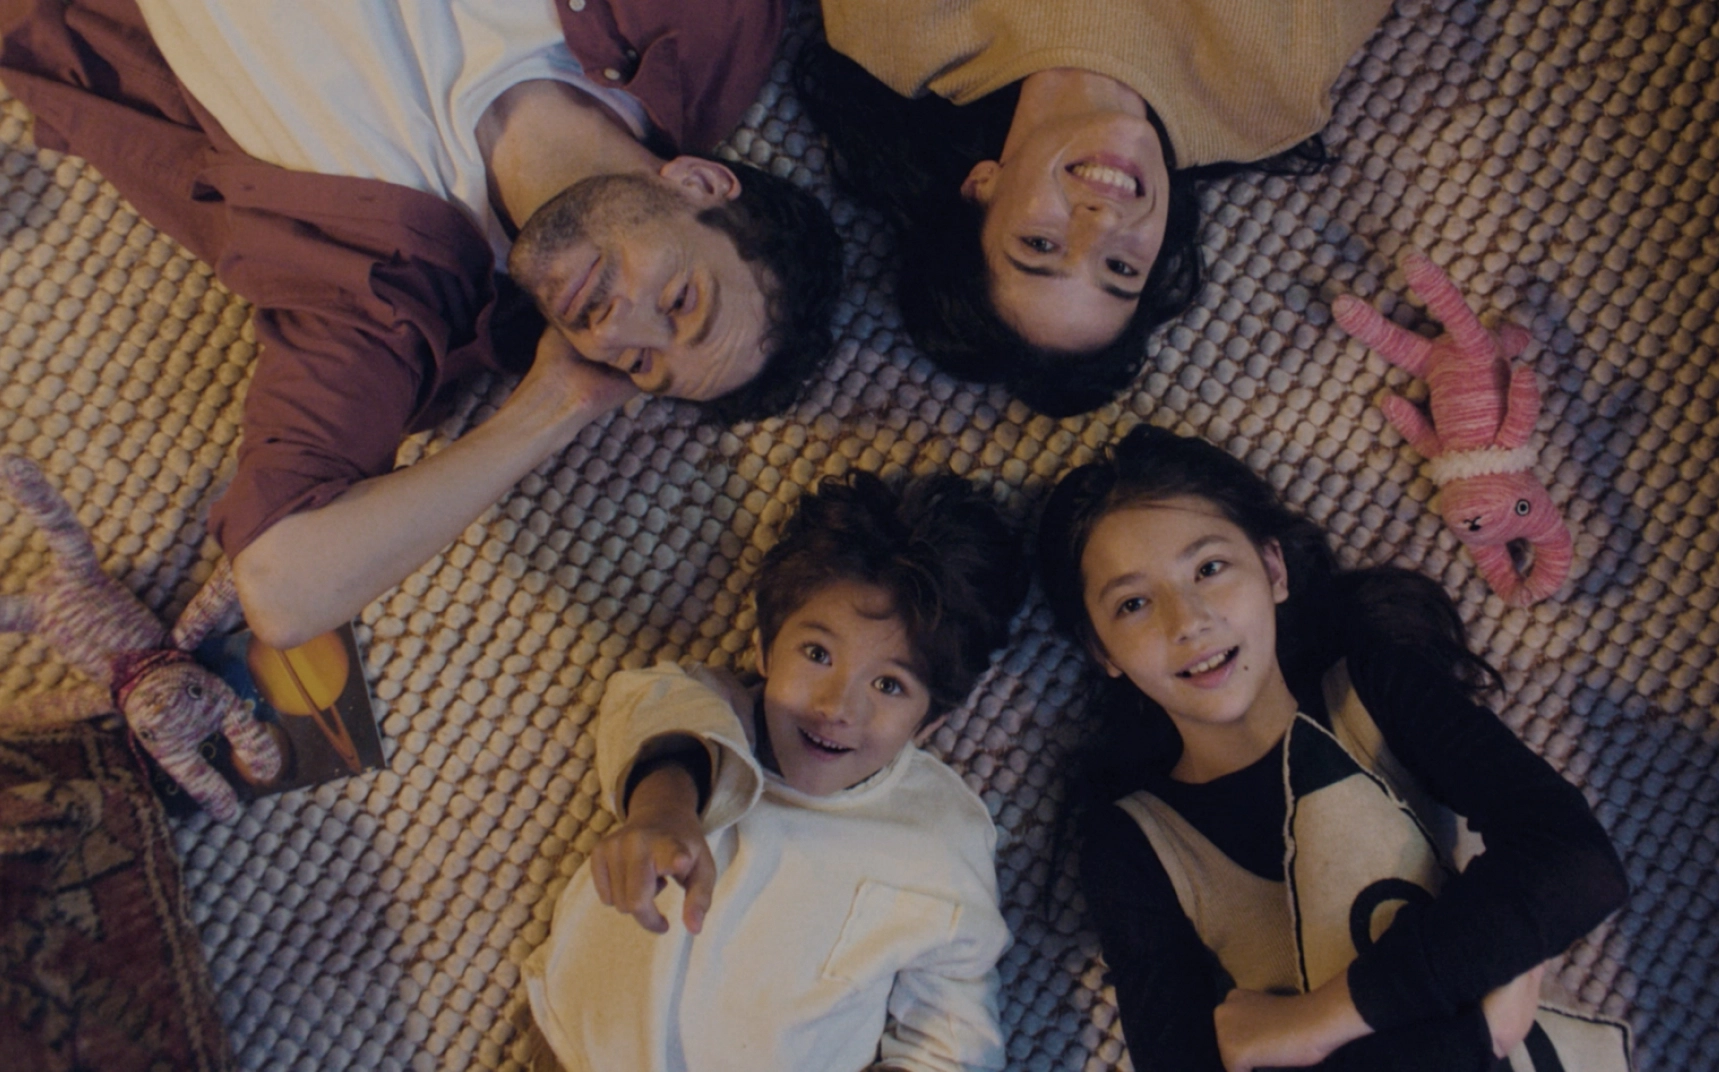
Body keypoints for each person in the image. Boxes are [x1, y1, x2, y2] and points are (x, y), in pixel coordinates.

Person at [0, 0, 843, 649]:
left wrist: (552, 408)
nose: (624, 325)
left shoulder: (388, 297)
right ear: (700, 184)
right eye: (682, 303)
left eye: (640, 367)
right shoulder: (707, 27)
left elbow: (282, 589)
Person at [1035, 425, 1631, 1071]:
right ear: (1102, 652)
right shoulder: (1137, 847)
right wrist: (1475, 1037)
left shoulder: (1376, 691)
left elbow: (1577, 865)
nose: (1189, 621)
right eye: (1133, 604)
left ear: (1273, 569)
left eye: (1210, 568)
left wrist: (1313, 1023)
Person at [523, 471, 1030, 1071]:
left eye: (889, 685)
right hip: (577, 1051)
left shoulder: (941, 837)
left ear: (931, 722)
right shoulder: (714, 709)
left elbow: (953, 1029)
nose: (838, 707)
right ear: (765, 647)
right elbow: (665, 724)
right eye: (817, 655)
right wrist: (663, 811)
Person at [796, 0, 1388, 416]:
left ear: (981, 188)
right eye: (1120, 270)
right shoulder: (1271, 90)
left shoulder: (896, 28)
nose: (1102, 224)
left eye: (1040, 245)